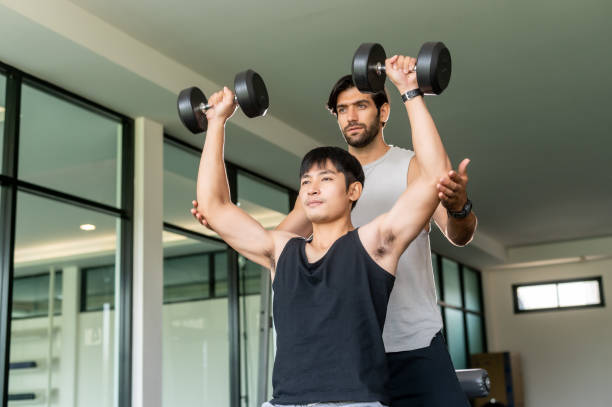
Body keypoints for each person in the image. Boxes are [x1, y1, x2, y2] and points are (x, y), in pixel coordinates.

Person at [194, 54, 451, 407]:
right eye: (306, 182)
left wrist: (409, 90)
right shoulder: (282, 251)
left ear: (353, 192)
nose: (312, 188)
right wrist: (216, 122)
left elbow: (435, 179)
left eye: (326, 179)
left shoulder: (373, 246)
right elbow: (214, 207)